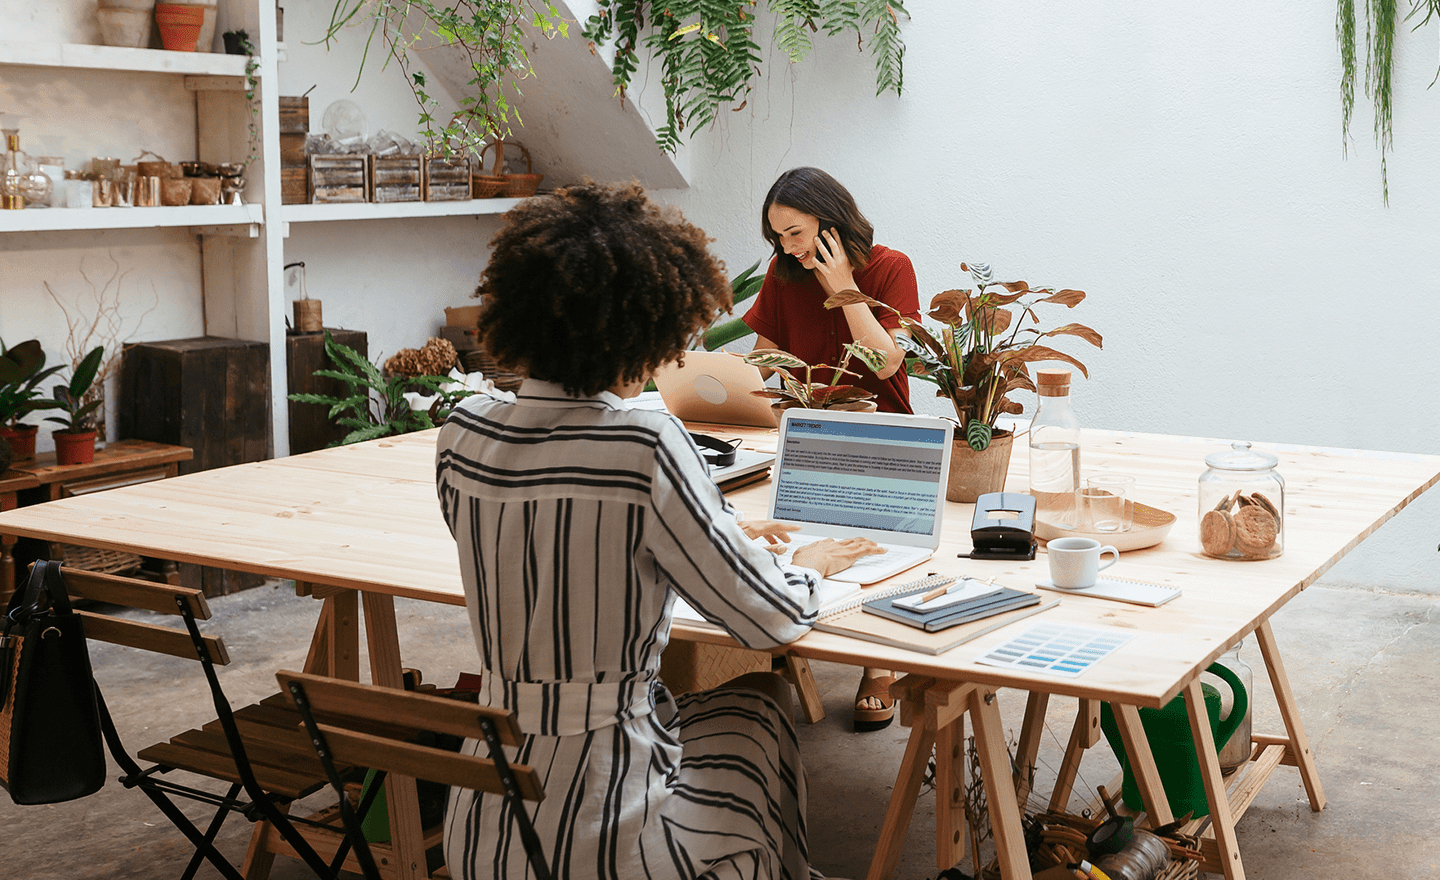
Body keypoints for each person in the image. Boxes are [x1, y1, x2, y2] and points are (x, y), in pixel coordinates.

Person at [436, 181, 881, 880]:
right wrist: (813, 564)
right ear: (646, 327)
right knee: (758, 717)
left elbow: (563, 542)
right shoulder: (643, 443)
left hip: (485, 823)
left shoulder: (460, 434)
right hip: (604, 827)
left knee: (720, 719)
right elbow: (769, 620)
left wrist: (716, 528)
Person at [742, 166, 922, 732]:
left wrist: (841, 284)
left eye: (794, 233)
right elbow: (763, 354)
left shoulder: (891, 268)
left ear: (830, 221)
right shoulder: (782, 272)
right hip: (808, 434)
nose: (787, 247)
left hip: (883, 437)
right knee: (761, 524)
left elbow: (886, 362)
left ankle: (879, 667)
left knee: (874, 546)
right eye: (777, 237)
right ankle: (781, 636)